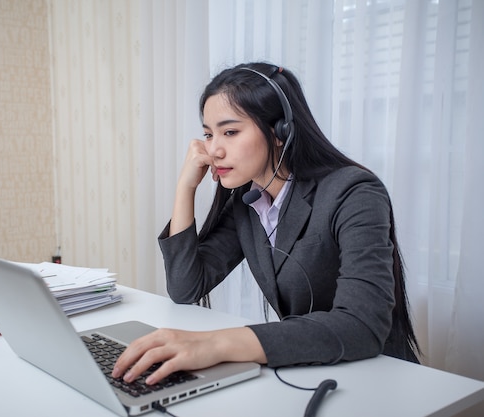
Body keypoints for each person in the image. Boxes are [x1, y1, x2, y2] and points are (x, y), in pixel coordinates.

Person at [112, 62, 420, 386]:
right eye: (208, 134)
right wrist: (184, 188)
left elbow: (361, 326)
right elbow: (186, 286)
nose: (213, 149)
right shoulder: (248, 202)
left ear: (279, 132)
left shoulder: (354, 192)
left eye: (230, 132)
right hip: (311, 373)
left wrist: (218, 344)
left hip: (377, 378)